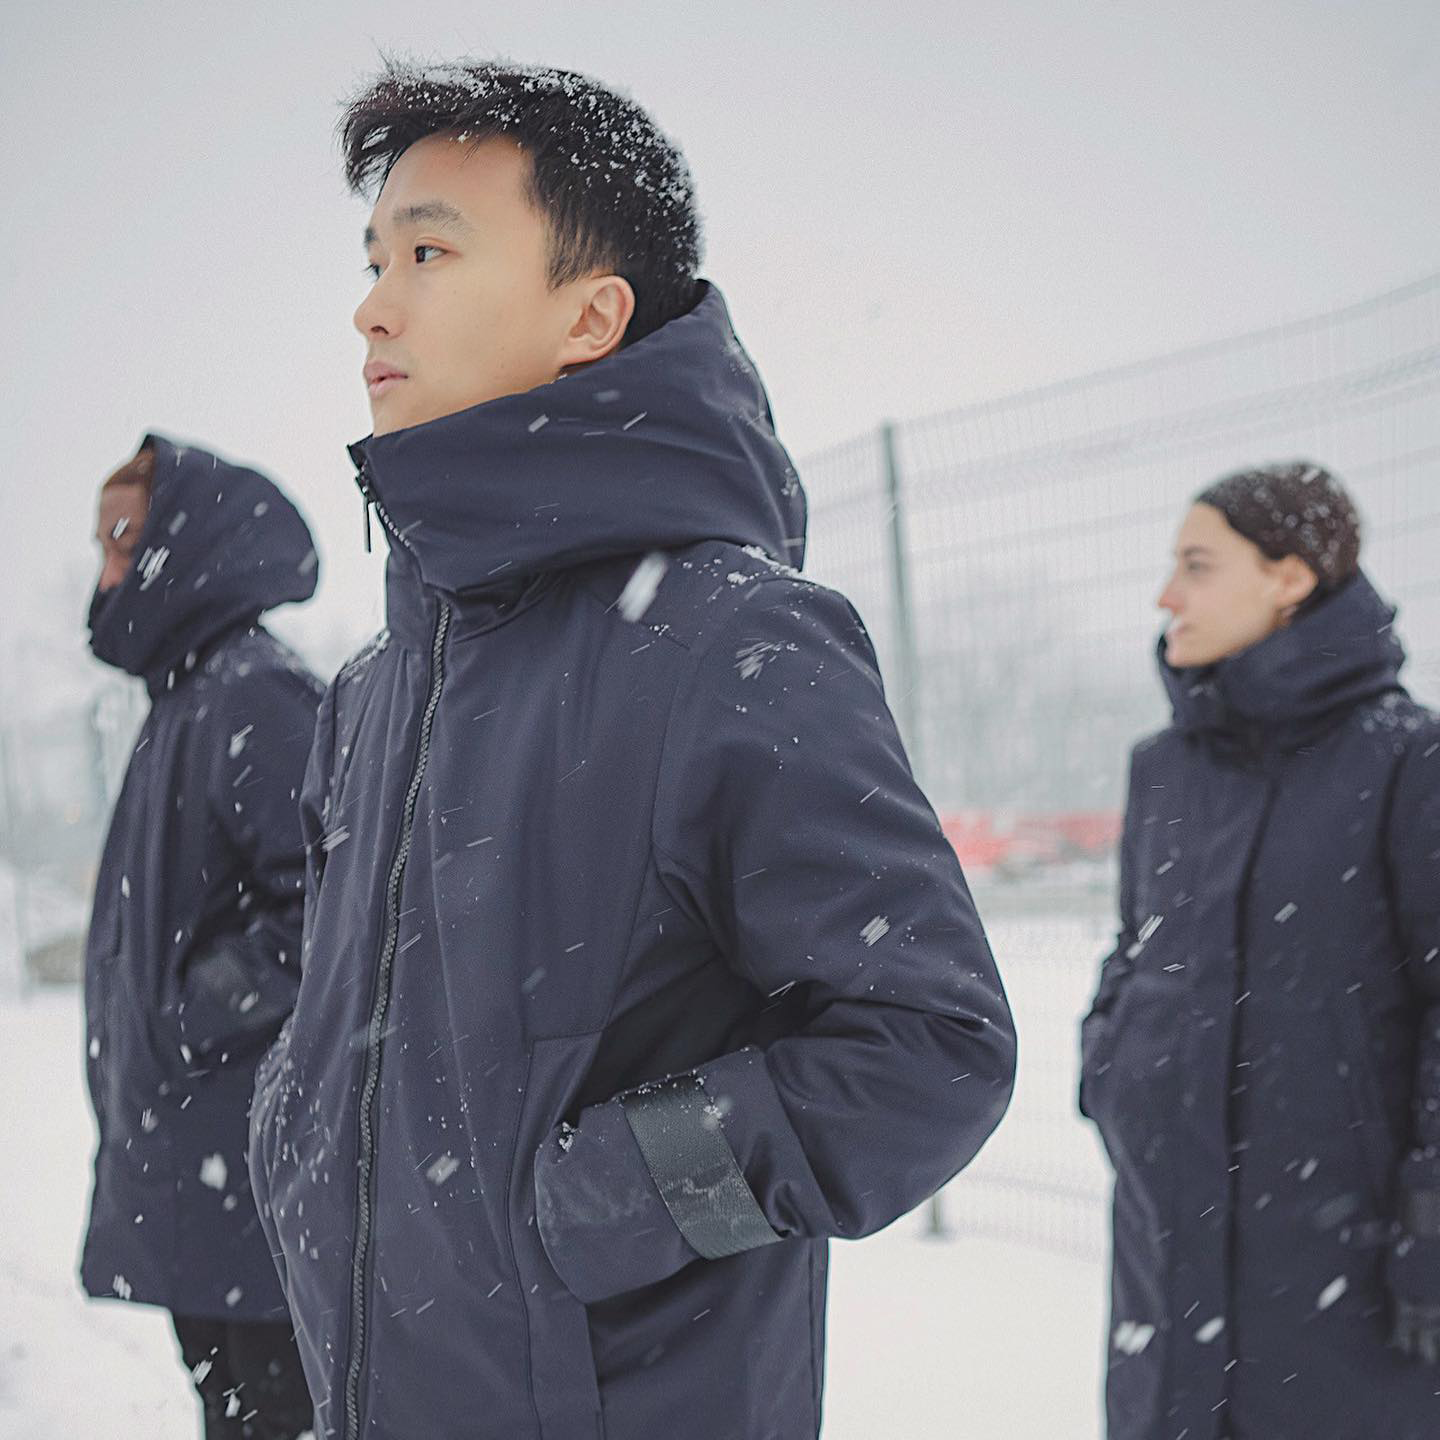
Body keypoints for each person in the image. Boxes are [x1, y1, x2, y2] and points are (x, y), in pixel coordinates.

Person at [248, 59, 1015, 1440]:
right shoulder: (371, 688)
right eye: (373, 260)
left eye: (429, 252)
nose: (373, 305)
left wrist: (614, 1193)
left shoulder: (727, 641)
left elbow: (932, 1044)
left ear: (591, 316)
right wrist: (296, 1129)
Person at [1080, 461, 1440, 1440]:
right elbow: (1135, 951)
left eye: (1197, 565)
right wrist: (1110, 1067)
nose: (1167, 595)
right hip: (1165, 1267)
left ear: (1290, 575)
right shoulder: (1164, 769)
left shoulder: (1408, 760)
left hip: (1351, 1285)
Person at [83, 435, 324, 1438]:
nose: (107, 571)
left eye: (123, 539)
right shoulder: (186, 701)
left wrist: (191, 1014)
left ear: (184, 544)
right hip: (206, 1174)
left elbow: (334, 905)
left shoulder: (251, 692)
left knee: (277, 1415)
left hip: (252, 1179)